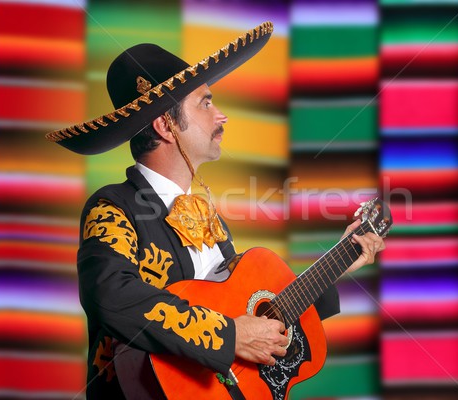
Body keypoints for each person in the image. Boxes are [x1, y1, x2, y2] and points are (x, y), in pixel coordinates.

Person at [46, 22, 385, 399]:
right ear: (165, 124)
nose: (221, 116)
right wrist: (229, 335)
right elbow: (109, 294)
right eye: (206, 102)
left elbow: (255, 319)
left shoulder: (212, 222)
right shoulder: (111, 207)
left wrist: (339, 262)